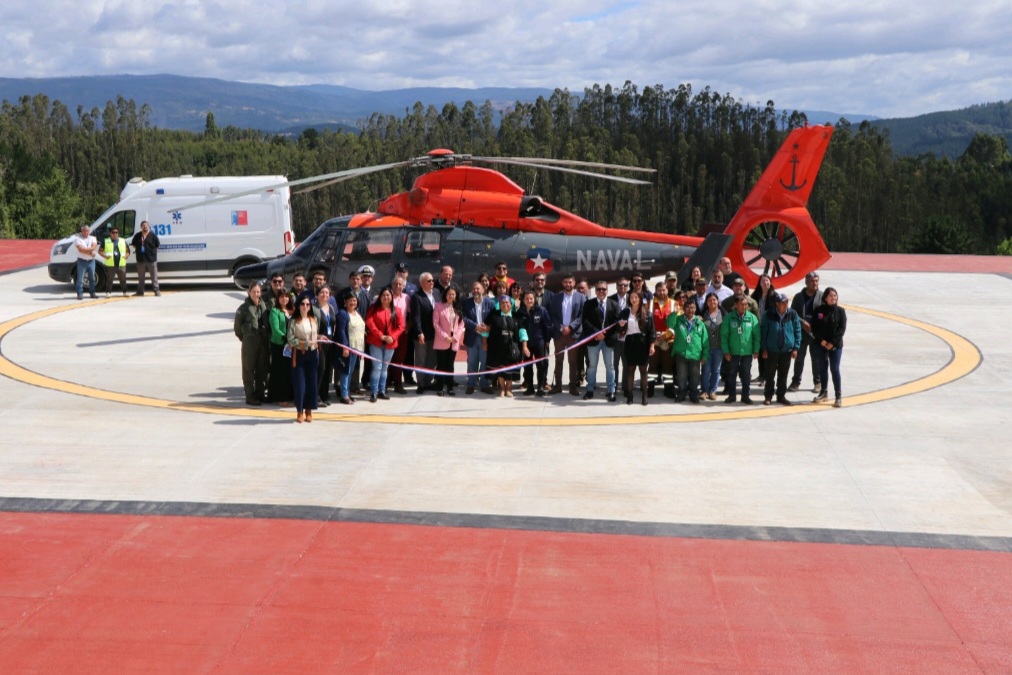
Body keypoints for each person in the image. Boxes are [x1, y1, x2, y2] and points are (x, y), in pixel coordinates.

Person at [760, 293, 802, 406]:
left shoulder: (792, 314)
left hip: (786, 351)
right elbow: (763, 333)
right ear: (777, 304)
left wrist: (795, 348)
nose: (785, 304)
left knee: (783, 375)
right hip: (771, 350)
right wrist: (763, 348)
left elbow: (797, 331)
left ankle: (781, 396)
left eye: (786, 302)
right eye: (783, 302)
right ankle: (768, 396)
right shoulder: (768, 314)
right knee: (770, 375)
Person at [581, 281, 619, 401]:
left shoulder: (614, 304)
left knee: (610, 366)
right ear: (595, 290)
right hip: (594, 340)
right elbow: (585, 321)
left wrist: (605, 334)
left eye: (603, 289)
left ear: (607, 290)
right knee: (592, 366)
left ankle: (611, 390)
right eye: (598, 289)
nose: (601, 291)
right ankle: (590, 389)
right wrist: (596, 333)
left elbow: (616, 323)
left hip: (608, 341)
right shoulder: (588, 304)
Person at [549, 273, 586, 395]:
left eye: (570, 282)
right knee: (558, 361)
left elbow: (582, 316)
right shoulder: (556, 297)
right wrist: (561, 327)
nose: (568, 284)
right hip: (559, 334)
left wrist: (570, 327)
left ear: (574, 283)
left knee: (573, 362)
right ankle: (558, 386)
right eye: (566, 282)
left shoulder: (581, 297)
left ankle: (572, 386)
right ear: (562, 283)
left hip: (573, 334)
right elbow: (552, 315)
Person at [365, 288, 404, 402]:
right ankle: (374, 392)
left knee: (385, 368)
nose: (386, 297)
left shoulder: (397, 310)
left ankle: (382, 390)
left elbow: (401, 326)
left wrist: (392, 337)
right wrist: (380, 335)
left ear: (391, 297)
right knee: (377, 367)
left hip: (390, 344)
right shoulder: (374, 309)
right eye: (383, 295)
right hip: (376, 342)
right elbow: (370, 322)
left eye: (388, 295)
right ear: (380, 297)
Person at [810, 287, 847, 408]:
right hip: (821, 344)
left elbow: (841, 329)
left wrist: (832, 343)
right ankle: (823, 392)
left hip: (835, 345)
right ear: (825, 297)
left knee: (834, 369)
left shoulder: (840, 311)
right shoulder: (818, 311)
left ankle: (838, 395)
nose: (833, 298)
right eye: (831, 296)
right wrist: (821, 341)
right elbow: (814, 328)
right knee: (822, 368)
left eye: (835, 296)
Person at [233, 282, 269, 406]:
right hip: (250, 343)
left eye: (258, 292)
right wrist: (245, 339)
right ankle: (250, 396)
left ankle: (260, 394)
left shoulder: (264, 306)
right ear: (249, 293)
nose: (256, 294)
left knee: (261, 369)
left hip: (262, 342)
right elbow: (237, 328)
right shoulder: (243, 308)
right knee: (248, 370)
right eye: (253, 292)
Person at [720, 295, 760, 404]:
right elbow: (724, 336)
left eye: (746, 304)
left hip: (747, 353)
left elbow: (756, 336)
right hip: (733, 353)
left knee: (746, 374)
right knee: (732, 374)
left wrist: (756, 350)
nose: (744, 306)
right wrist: (726, 351)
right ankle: (732, 396)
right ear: (736, 305)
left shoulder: (752, 318)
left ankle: (745, 396)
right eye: (742, 304)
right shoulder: (729, 318)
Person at [789, 271, 825, 393]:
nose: (815, 283)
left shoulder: (822, 296)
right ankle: (795, 382)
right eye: (812, 281)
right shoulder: (798, 297)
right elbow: (792, 314)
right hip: (801, 333)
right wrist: (802, 322)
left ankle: (818, 382)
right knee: (799, 358)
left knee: (816, 359)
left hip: (816, 334)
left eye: (816, 281)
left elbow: (826, 313)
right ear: (806, 282)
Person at [669, 296, 707, 403]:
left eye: (693, 308)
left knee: (695, 376)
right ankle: (681, 393)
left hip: (695, 354)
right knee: (681, 376)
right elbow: (669, 323)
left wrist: (704, 355)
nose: (691, 310)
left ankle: (694, 394)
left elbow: (705, 341)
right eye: (689, 308)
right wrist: (674, 313)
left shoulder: (700, 323)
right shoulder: (678, 320)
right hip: (681, 353)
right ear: (684, 309)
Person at [287, 295, 319, 422]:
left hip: (313, 354)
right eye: (303, 304)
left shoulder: (313, 319)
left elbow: (315, 334)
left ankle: (309, 410)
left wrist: (320, 337)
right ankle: (299, 411)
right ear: (298, 306)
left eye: (307, 304)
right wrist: (305, 344)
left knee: (312, 383)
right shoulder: (294, 321)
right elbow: (290, 339)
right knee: (300, 383)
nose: (305, 307)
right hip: (300, 354)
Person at [620, 290, 655, 405]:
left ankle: (645, 395)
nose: (633, 300)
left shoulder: (647, 313)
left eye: (636, 297)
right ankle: (630, 395)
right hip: (630, 342)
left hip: (642, 342)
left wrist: (652, 345)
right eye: (631, 298)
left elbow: (651, 332)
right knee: (630, 369)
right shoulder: (626, 312)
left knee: (643, 370)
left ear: (640, 299)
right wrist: (621, 326)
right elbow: (619, 329)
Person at [517, 289, 554, 397]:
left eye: (531, 298)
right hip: (526, 344)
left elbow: (548, 326)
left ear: (535, 299)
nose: (529, 300)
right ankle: (530, 387)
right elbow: (520, 328)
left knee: (541, 366)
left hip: (540, 342)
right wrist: (523, 345)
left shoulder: (541, 310)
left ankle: (541, 387)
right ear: (523, 300)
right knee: (528, 366)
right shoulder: (520, 313)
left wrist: (547, 340)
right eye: (527, 299)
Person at [484, 294, 522, 397]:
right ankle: (501, 388)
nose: (505, 304)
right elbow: (485, 328)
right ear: (499, 305)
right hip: (496, 346)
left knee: (510, 369)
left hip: (512, 347)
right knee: (500, 369)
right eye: (502, 303)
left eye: (507, 302)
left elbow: (522, 331)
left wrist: (524, 345)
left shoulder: (516, 316)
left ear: (511, 304)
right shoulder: (494, 315)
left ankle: (509, 389)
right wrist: (484, 341)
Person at [463, 280, 497, 395]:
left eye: (478, 288)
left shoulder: (490, 303)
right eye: (474, 289)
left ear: (483, 290)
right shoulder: (466, 303)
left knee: (484, 361)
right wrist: (475, 326)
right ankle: (471, 384)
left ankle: (484, 384)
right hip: (472, 336)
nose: (475, 291)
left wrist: (488, 327)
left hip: (485, 338)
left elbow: (494, 318)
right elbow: (464, 318)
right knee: (472, 362)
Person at [432, 286, 465, 395]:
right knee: (441, 365)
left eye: (453, 294)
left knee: (450, 365)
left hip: (454, 340)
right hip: (443, 339)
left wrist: (456, 337)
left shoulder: (458, 307)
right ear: (445, 295)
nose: (451, 296)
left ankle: (450, 388)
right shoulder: (438, 306)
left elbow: (461, 324)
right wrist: (445, 337)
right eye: (449, 294)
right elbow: (436, 324)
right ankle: (440, 387)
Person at [335, 293, 366, 405]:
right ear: (345, 302)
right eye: (350, 301)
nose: (353, 303)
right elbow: (341, 331)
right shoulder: (343, 314)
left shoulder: (357, 313)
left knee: (350, 371)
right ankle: (344, 395)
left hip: (356, 348)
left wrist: (361, 349)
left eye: (354, 300)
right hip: (348, 348)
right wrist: (345, 347)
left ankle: (347, 392)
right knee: (345, 371)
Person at [267, 290, 294, 407]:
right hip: (279, 345)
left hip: (291, 346)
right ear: (278, 298)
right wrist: (287, 339)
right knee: (280, 371)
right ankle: (280, 398)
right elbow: (275, 329)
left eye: (286, 297)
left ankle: (288, 395)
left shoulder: (292, 311)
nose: (284, 299)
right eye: (282, 297)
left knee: (288, 371)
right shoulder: (275, 311)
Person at [650, 283, 677, 397]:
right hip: (654, 340)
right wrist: (653, 337)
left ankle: (668, 389)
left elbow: (676, 322)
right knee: (652, 366)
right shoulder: (650, 304)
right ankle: (650, 389)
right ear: (655, 291)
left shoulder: (673, 304)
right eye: (659, 290)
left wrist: (666, 335)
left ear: (667, 291)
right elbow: (647, 322)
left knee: (667, 367)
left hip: (668, 341)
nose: (662, 292)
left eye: (664, 290)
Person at [751, 273, 776, 385]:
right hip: (757, 328)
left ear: (770, 282)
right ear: (759, 283)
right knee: (760, 353)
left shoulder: (774, 296)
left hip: (769, 329)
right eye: (763, 281)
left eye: (767, 281)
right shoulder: (755, 296)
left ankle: (768, 377)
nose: (765, 283)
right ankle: (761, 375)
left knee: (768, 354)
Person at [387, 277, 411, 394]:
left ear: (403, 286)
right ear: (392, 285)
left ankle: (398, 384)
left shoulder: (407, 298)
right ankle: (385, 384)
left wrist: (408, 327)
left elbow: (411, 314)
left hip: (402, 334)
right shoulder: (387, 296)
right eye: (395, 284)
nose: (397, 286)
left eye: (400, 284)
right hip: (389, 334)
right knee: (387, 359)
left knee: (399, 360)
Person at [314, 285, 336, 407]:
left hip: (330, 343)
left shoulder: (331, 308)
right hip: (319, 343)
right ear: (317, 295)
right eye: (322, 292)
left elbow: (333, 324)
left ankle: (324, 394)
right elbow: (310, 327)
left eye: (327, 293)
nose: (325, 295)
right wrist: (317, 337)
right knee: (320, 369)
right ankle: (315, 395)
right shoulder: (314, 308)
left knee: (328, 369)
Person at [700, 293, 724, 401]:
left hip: (719, 347)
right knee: (706, 369)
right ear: (706, 303)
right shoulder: (703, 315)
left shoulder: (723, 314)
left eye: (714, 300)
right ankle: (704, 390)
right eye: (710, 300)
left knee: (716, 370)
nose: (712, 302)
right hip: (707, 347)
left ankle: (713, 391)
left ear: (718, 301)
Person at [96, 226, 130, 297]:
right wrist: (105, 256)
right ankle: (108, 292)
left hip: (121, 263)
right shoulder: (105, 241)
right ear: (110, 233)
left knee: (123, 279)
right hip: (110, 264)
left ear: (118, 233)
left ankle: (125, 291)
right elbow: (100, 251)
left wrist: (126, 256)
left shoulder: (123, 241)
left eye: (116, 232)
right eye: (113, 232)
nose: (115, 234)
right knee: (109, 279)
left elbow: (128, 251)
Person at [130, 220, 160, 296]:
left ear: (148, 226)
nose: (145, 227)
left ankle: (156, 290)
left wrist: (151, 252)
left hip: (151, 259)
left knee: (154, 276)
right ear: (141, 227)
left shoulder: (153, 235)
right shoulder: (137, 235)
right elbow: (133, 245)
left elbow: (157, 245)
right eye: (143, 226)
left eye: (146, 225)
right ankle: (140, 291)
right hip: (141, 259)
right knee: (141, 277)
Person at [72, 224, 99, 300]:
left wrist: (86, 251)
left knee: (92, 278)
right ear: (81, 231)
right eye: (84, 231)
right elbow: (80, 250)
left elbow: (93, 247)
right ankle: (80, 293)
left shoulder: (93, 238)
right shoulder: (77, 239)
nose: (86, 232)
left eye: (87, 231)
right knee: (80, 278)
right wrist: (90, 253)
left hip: (91, 261)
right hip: (82, 261)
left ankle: (92, 293)